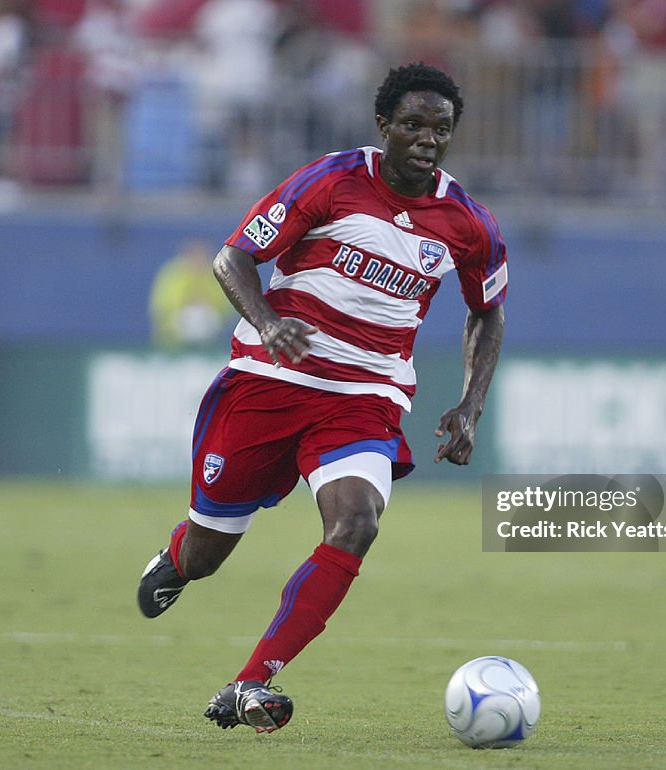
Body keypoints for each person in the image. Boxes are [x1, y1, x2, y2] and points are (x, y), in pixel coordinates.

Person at [137, 62, 508, 734]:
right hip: (271, 381)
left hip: (364, 398)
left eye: (441, 130)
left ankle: (252, 680)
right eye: (413, 125)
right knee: (209, 551)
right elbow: (234, 258)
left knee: (357, 523)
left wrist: (469, 404)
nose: (427, 139)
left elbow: (488, 310)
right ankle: (178, 559)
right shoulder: (331, 180)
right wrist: (268, 322)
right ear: (383, 127)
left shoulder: (467, 223)